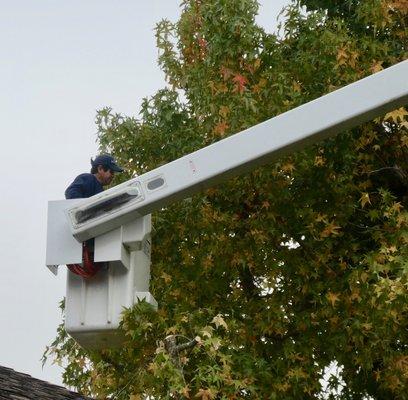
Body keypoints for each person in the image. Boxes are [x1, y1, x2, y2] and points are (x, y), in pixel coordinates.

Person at [64, 154, 124, 278]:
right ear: (100, 168)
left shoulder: (101, 191)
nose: (113, 175)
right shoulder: (87, 179)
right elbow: (71, 193)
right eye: (111, 171)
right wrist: (86, 213)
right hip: (83, 236)